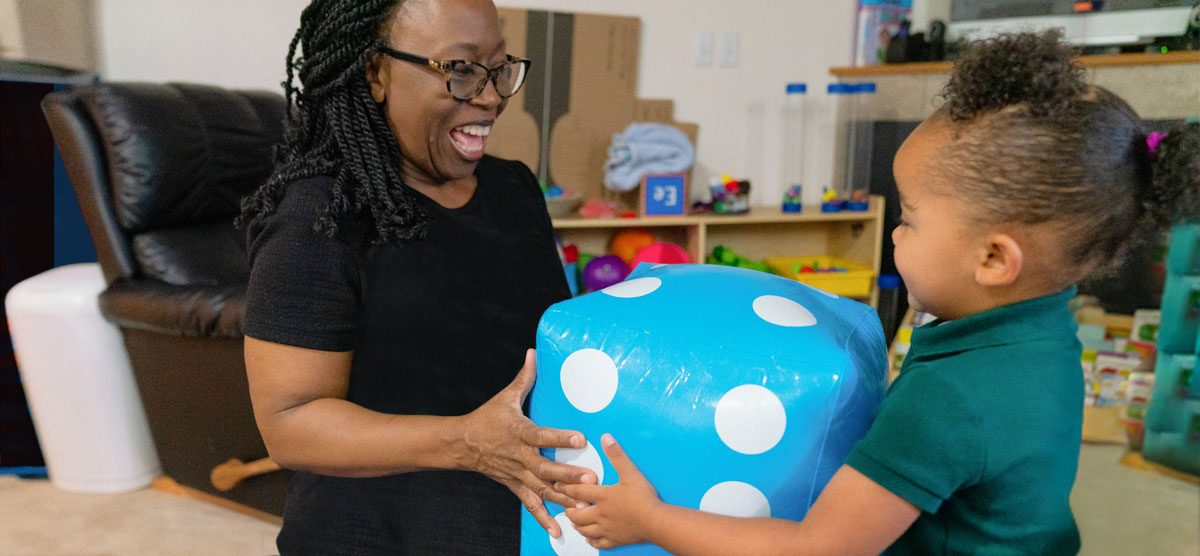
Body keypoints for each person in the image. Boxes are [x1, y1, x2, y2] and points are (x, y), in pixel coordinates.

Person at [556, 31, 1200, 555]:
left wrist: (649, 520)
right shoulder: (1046, 328)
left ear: (994, 259)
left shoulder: (950, 399)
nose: (895, 235)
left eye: (912, 218)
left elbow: (821, 548)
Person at [238, 0, 594, 554]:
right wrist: (467, 443)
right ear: (375, 72)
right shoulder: (320, 218)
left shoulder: (514, 188)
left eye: (500, 68)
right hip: (372, 534)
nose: (492, 95)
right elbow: (289, 424)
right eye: (459, 70)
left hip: (523, 520)